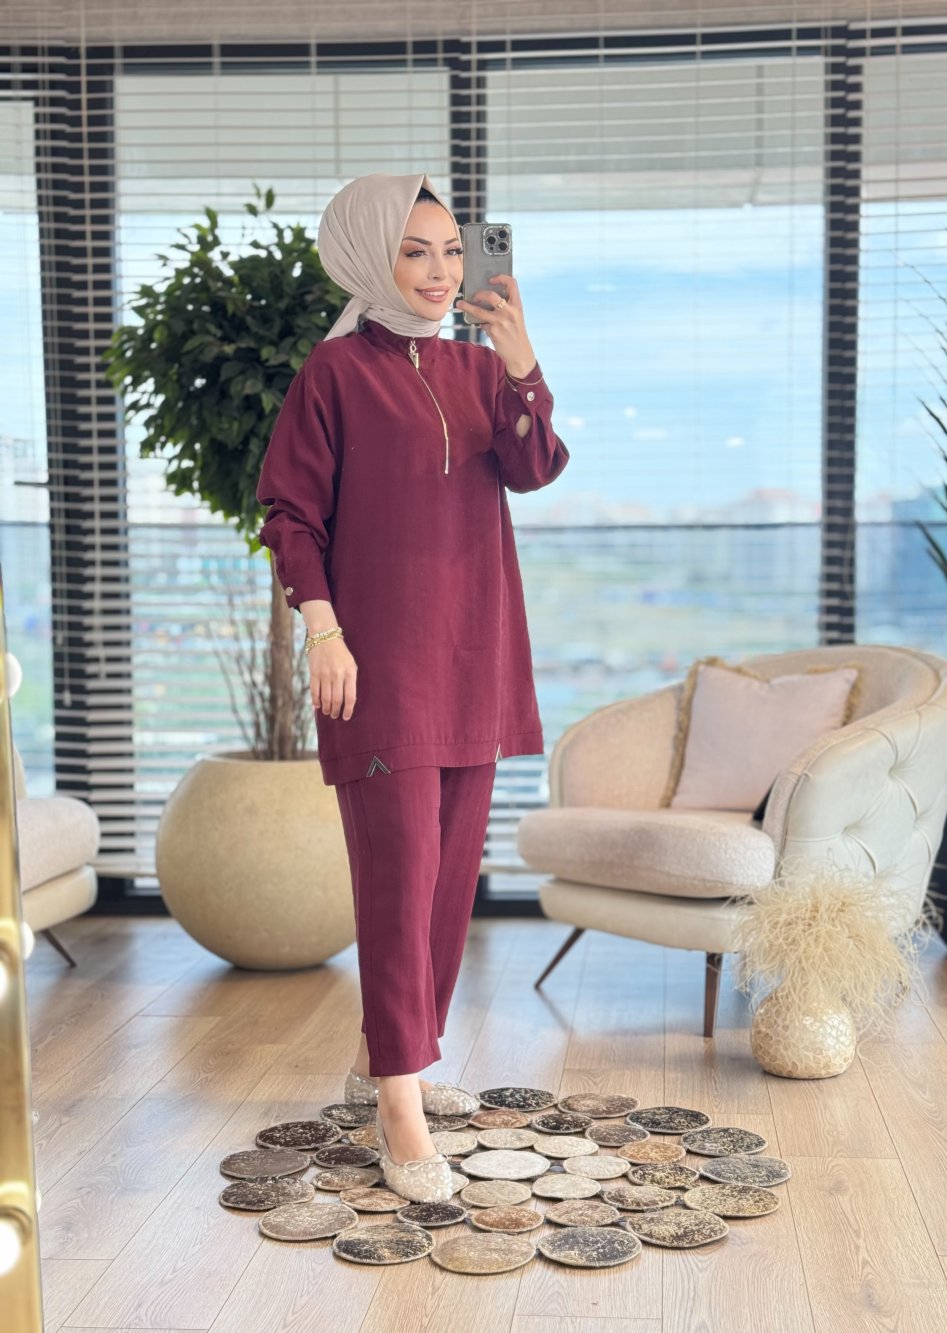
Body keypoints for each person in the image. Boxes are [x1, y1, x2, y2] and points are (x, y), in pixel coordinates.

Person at [255, 172, 569, 1201]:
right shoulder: (334, 372)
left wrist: (520, 360)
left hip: (476, 654)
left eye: (450, 251)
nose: (439, 273)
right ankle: (400, 1103)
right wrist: (324, 632)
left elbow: (534, 466)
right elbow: (290, 513)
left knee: (445, 883)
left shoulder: (480, 370)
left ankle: (386, 1059)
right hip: (377, 663)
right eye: (414, 252)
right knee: (397, 879)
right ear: (368, 257)